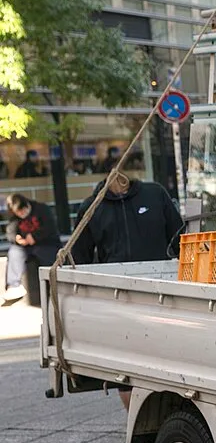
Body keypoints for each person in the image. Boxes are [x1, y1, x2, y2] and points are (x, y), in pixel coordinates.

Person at [74, 172, 184, 410]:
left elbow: (179, 239)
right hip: (118, 297)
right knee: (127, 372)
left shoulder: (155, 194)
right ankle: (138, 424)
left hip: (162, 290)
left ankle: (167, 414)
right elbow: (79, 257)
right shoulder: (92, 207)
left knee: (166, 358)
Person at [4, 193, 61, 303]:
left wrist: (35, 236)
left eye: (23, 211)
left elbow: (50, 229)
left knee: (44, 253)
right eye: (18, 213)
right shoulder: (15, 217)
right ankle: (14, 285)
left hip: (46, 244)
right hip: (26, 247)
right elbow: (10, 231)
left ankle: (53, 284)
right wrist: (16, 238)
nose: (21, 214)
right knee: (14, 252)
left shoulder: (42, 209)